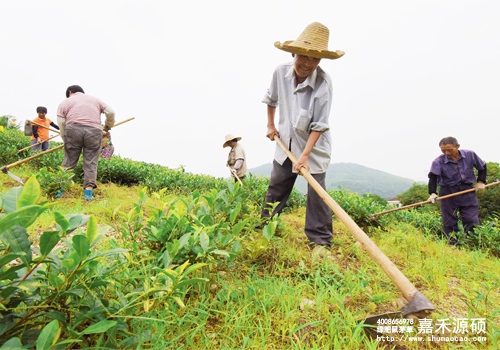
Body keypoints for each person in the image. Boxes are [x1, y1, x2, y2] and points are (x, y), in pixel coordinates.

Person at [260, 22, 344, 257]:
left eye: (315, 59)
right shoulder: (280, 72)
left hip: (313, 147)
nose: (307, 64)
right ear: (294, 53)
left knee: (317, 192)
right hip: (285, 141)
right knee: (277, 185)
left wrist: (305, 156)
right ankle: (265, 226)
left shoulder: (323, 83)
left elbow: (319, 124)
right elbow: (271, 99)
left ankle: (320, 241)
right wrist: (270, 125)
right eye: (304, 56)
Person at [57, 85, 115, 201]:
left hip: (73, 129)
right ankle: (88, 194)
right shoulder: (95, 100)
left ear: (70, 92)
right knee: (91, 162)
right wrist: (108, 125)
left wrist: (65, 138)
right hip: (94, 131)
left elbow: (61, 123)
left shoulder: (66, 102)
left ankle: (60, 191)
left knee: (69, 161)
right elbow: (111, 112)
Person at [427, 137, 486, 245]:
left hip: (467, 190)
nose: (447, 153)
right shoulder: (438, 161)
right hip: (448, 191)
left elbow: (482, 167)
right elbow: (433, 178)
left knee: (471, 219)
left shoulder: (470, 155)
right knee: (449, 220)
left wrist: (481, 181)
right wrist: (433, 193)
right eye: (443, 150)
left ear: (457, 146)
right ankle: (453, 245)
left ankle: (474, 244)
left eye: (449, 150)